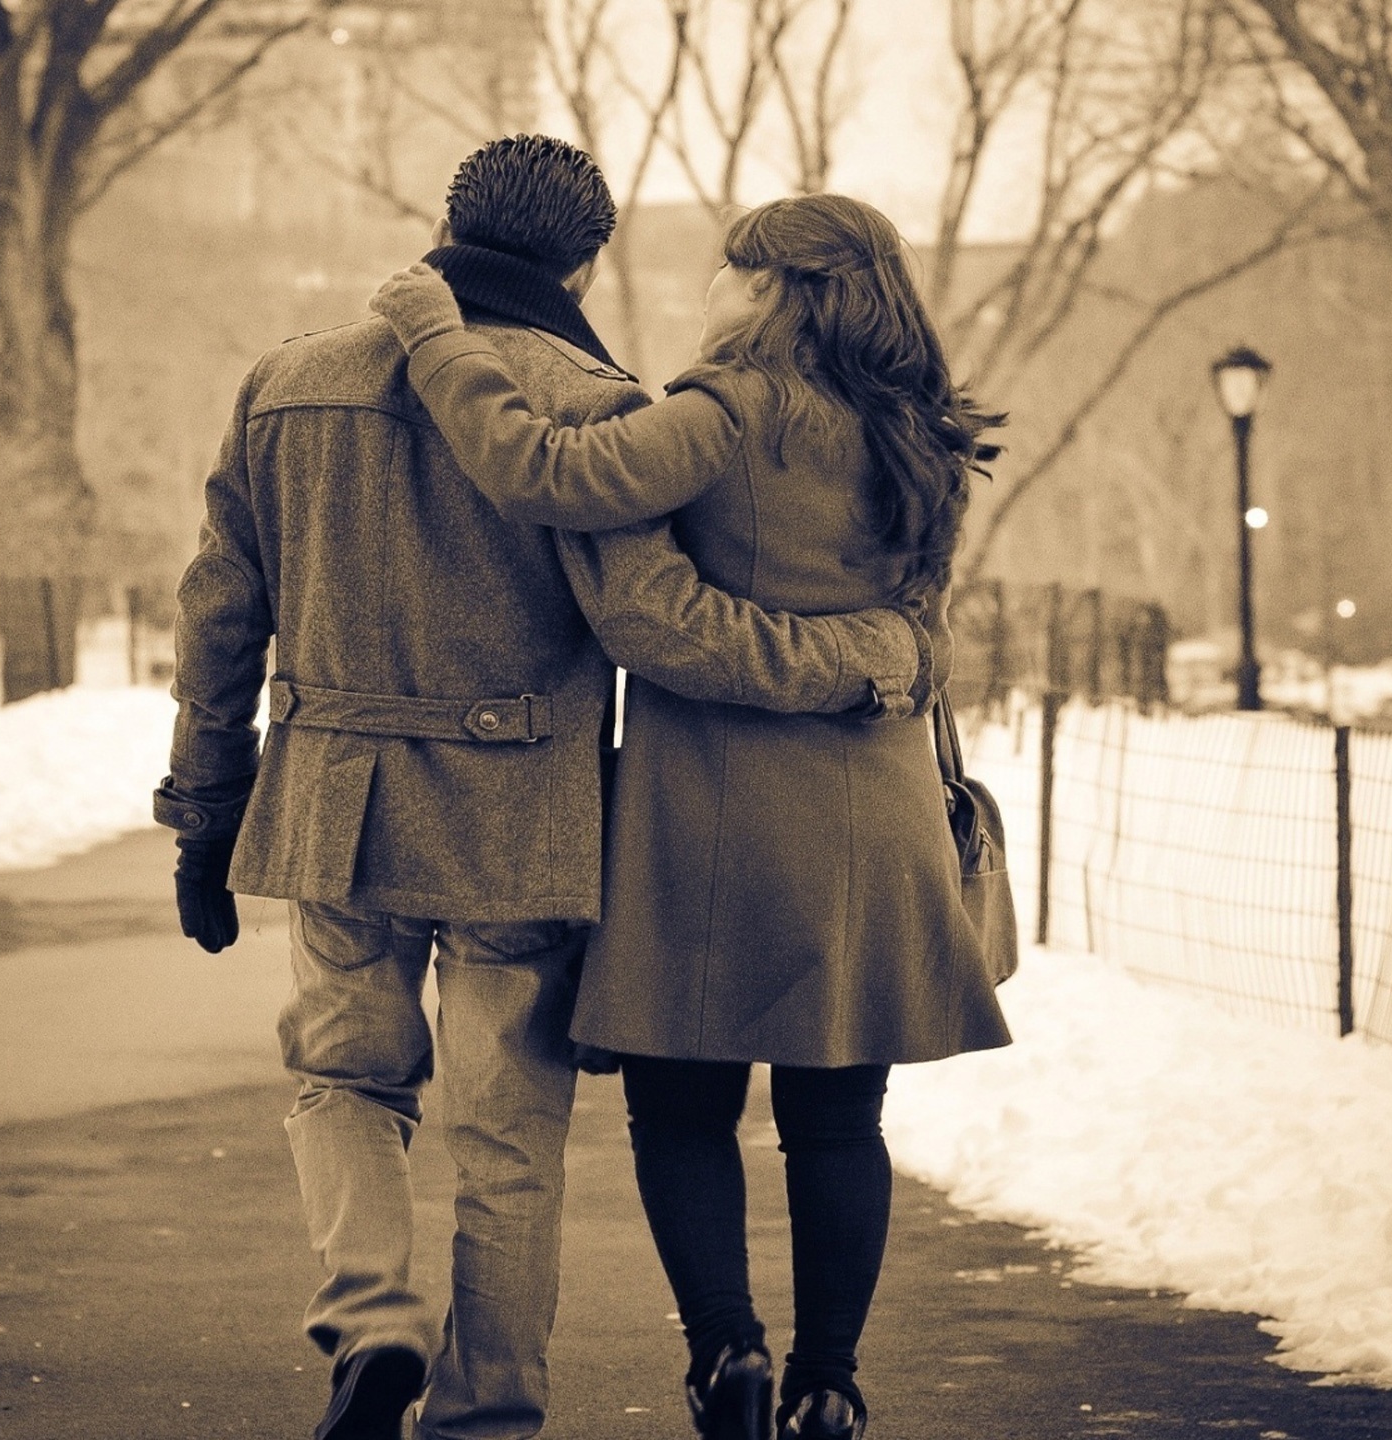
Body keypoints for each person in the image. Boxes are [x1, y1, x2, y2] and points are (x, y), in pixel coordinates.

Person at [156, 138, 934, 1440]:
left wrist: (203, 811)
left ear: (448, 225)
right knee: (509, 1146)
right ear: (585, 261)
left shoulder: (285, 385)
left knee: (344, 1079)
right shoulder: (600, 401)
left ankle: (372, 1316)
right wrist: (870, 657)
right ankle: (486, 1413)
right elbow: (660, 628)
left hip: (334, 801)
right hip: (520, 817)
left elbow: (219, 619)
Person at [371, 192, 1013, 1440]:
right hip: (871, 811)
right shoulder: (917, 427)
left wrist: (435, 336)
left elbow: (542, 470)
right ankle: (830, 1383)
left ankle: (728, 1355)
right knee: (839, 1119)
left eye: (730, 266)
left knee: (681, 1111)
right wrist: (873, 654)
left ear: (774, 288)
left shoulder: (725, 412)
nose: (713, 285)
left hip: (710, 817)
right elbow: (917, 622)